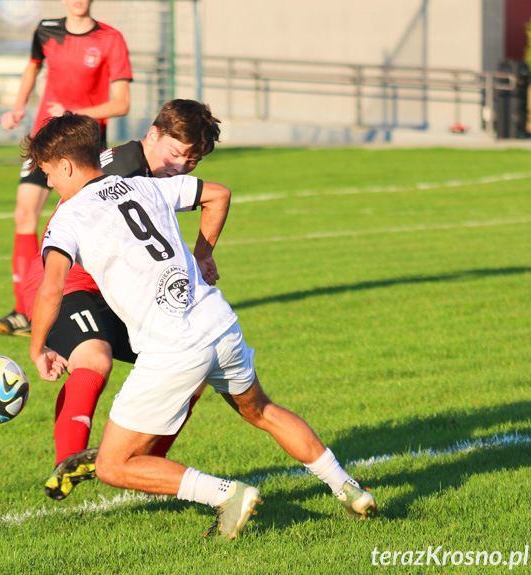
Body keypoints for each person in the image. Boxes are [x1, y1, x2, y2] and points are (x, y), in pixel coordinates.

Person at [27, 113, 377, 539]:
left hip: (173, 346)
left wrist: (37, 347)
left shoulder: (67, 217)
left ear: (65, 166)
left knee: (113, 466)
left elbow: (50, 291)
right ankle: (349, 488)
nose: (48, 183)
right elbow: (218, 194)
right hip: (219, 324)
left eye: (46, 173)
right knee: (263, 411)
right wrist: (202, 255)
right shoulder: (147, 185)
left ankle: (227, 494)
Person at [19, 100, 222, 501]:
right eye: (175, 153)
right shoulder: (123, 172)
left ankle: (143, 470)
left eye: (191, 160)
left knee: (193, 370)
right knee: (95, 359)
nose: (181, 165)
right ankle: (68, 466)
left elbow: (212, 199)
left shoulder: (144, 170)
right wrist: (37, 345)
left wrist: (199, 257)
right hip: (68, 283)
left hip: (120, 292)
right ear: (151, 134)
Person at [0, 0, 132, 337]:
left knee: (84, 225)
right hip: (45, 139)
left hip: (84, 147)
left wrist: (76, 110)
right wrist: (17, 108)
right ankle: (23, 311)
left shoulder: (111, 39)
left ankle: (102, 300)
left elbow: (122, 102)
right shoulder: (46, 30)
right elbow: (32, 67)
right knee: (25, 214)